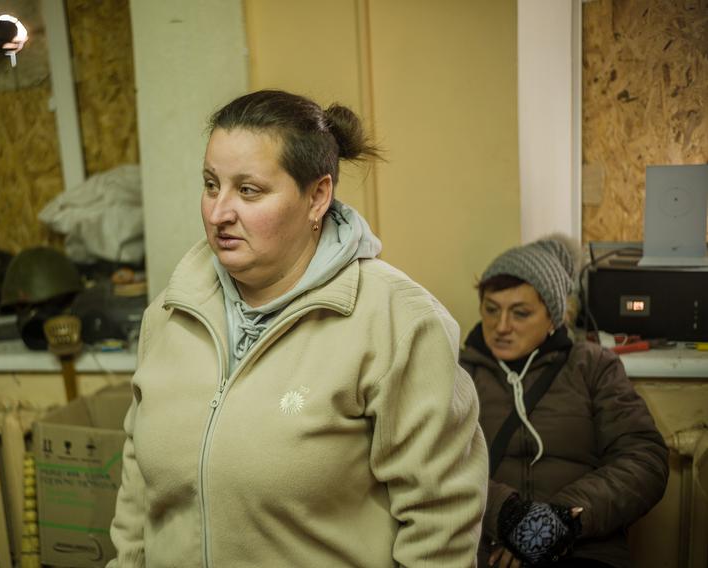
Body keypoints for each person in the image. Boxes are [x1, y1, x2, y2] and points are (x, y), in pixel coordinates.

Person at [107, 89, 488, 567]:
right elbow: (138, 495)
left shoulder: (399, 323)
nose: (219, 212)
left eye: (249, 190)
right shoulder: (168, 315)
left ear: (317, 197)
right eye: (210, 184)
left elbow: (441, 526)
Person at [460, 236, 669, 567]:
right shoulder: (460, 375)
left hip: (584, 548)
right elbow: (436, 464)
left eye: (521, 313)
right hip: (487, 551)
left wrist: (559, 521)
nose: (501, 327)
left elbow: (643, 460)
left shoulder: (593, 366)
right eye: (491, 309)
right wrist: (507, 515)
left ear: (553, 317)